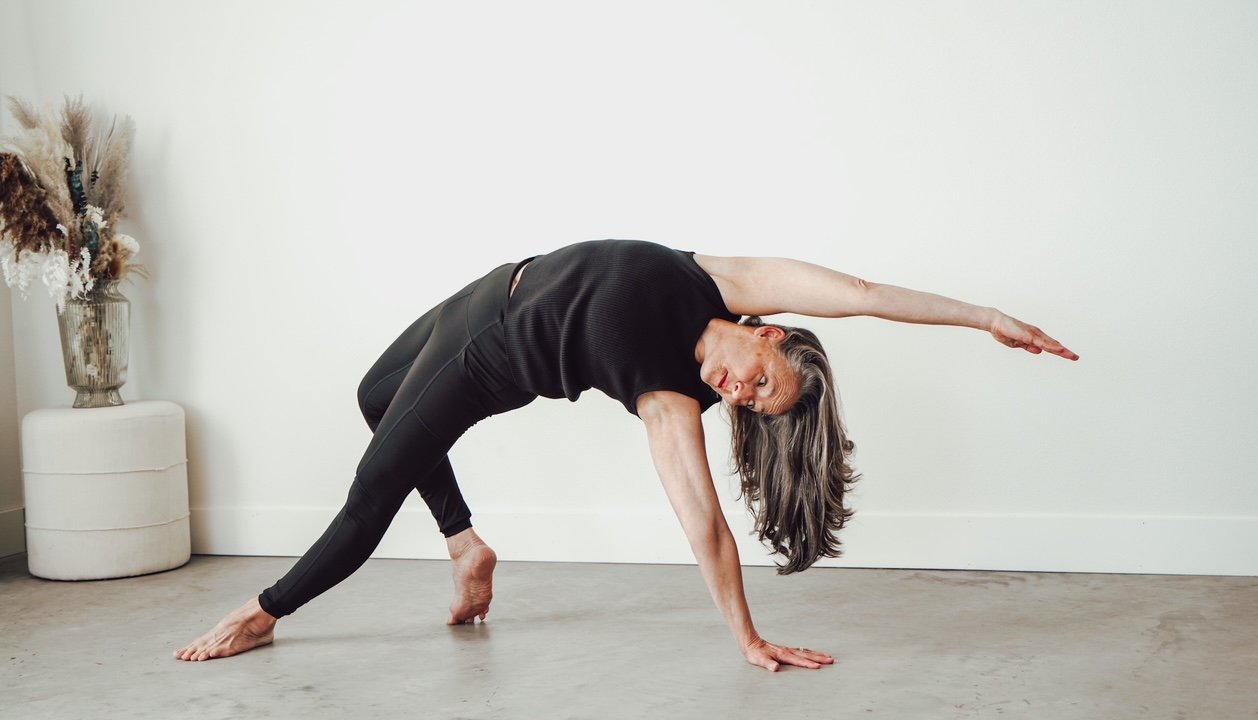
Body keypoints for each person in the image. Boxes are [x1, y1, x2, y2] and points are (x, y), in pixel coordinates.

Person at [174, 239, 1077, 670]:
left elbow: (706, 530)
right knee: (374, 397)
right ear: (766, 336)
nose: (745, 400)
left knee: (371, 490)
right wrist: (985, 316)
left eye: (756, 412)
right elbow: (865, 292)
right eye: (763, 385)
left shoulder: (668, 401)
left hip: (488, 361)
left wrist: (748, 637)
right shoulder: (726, 282)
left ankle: (264, 611)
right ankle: (465, 543)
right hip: (493, 285)